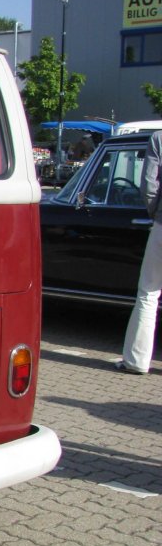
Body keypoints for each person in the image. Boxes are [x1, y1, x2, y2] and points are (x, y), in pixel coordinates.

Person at [118, 129, 162, 374]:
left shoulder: (158, 138)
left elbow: (149, 184)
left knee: (148, 293)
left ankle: (136, 360)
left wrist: (155, 212)